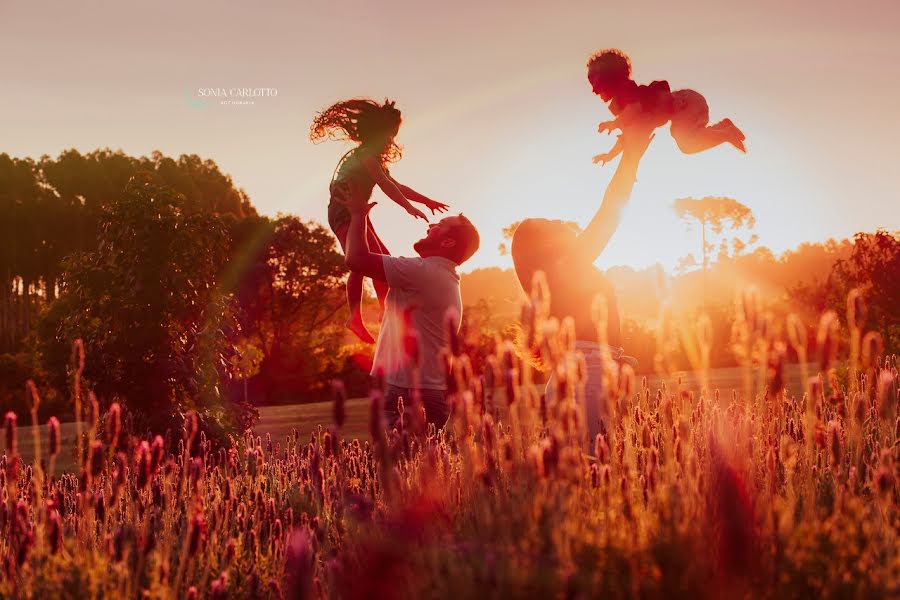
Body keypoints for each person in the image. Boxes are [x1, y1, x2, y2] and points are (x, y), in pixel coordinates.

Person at [511, 126, 654, 445]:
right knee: (591, 468)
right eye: (550, 225)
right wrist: (630, 160)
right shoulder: (564, 268)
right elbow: (609, 213)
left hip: (586, 372)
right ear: (545, 247)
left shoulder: (563, 274)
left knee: (590, 470)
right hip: (585, 376)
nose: (560, 222)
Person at [336, 178, 480, 430]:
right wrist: (364, 221)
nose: (432, 224)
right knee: (418, 468)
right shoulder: (439, 275)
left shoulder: (423, 272)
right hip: (421, 391)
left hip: (410, 393)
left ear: (447, 243)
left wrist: (358, 215)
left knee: (397, 467)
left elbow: (356, 260)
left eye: (441, 225)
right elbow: (377, 255)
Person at [310, 98, 449, 343]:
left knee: (380, 260)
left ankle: (388, 312)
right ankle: (356, 317)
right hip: (344, 211)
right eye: (392, 132)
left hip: (357, 212)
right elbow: (385, 186)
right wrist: (408, 208)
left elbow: (396, 184)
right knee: (360, 261)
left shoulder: (372, 157)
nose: (393, 137)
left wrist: (425, 201)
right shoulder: (365, 156)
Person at [588, 48, 745, 165]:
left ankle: (726, 132)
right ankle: (723, 127)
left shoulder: (627, 92)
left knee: (686, 143)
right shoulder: (625, 104)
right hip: (687, 103)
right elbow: (627, 138)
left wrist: (613, 123)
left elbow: (633, 110)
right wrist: (609, 155)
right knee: (686, 142)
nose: (594, 90)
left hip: (684, 104)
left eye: (596, 83)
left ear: (611, 79)